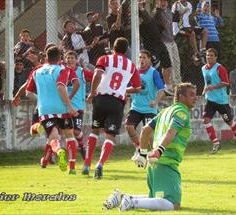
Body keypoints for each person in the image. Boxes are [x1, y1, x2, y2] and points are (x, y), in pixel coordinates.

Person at [103, 83, 198, 211]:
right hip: (166, 162)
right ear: (181, 97)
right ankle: (131, 202)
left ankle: (122, 197)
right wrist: (159, 151)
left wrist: (142, 154)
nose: (195, 98)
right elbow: (171, 131)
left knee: (154, 197)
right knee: (173, 203)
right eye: (191, 95)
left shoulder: (165, 111)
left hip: (155, 163)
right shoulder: (181, 112)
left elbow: (146, 129)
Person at [82, 37, 141, 179]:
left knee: (95, 130)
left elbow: (97, 74)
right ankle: (100, 164)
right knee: (110, 135)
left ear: (112, 47)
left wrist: (92, 92)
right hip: (117, 103)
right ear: (126, 50)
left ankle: (87, 164)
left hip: (101, 99)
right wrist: (124, 90)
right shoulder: (131, 66)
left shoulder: (105, 59)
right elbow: (138, 87)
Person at [26, 46, 79, 174]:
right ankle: (72, 168)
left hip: (45, 110)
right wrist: (70, 106)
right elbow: (61, 86)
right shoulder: (62, 69)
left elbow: (28, 92)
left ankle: (59, 151)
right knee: (70, 135)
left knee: (53, 137)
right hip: (62, 108)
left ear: (46, 57)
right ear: (60, 57)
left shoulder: (36, 71)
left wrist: (40, 101)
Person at [202, 48, 236, 153]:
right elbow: (207, 82)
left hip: (221, 100)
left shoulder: (220, 68)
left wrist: (212, 88)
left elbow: (225, 83)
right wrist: (205, 90)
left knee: (229, 121)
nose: (209, 57)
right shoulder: (204, 68)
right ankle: (216, 143)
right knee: (206, 119)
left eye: (211, 55)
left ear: (216, 57)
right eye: (207, 55)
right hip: (210, 100)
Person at [125, 50, 165, 160]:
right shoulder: (135, 72)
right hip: (136, 107)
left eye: (144, 58)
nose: (141, 60)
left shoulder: (154, 73)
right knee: (129, 127)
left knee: (149, 134)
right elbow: (128, 87)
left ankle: (154, 154)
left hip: (149, 109)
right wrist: (125, 93)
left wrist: (155, 101)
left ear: (149, 60)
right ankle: (139, 148)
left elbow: (162, 90)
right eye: (140, 57)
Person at [65, 50, 93, 160]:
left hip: (78, 106)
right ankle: (67, 156)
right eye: (68, 58)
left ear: (76, 60)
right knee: (67, 131)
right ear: (65, 59)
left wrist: (92, 93)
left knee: (76, 131)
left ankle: (82, 146)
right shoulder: (62, 71)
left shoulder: (81, 72)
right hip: (65, 107)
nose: (70, 60)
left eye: (72, 58)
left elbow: (95, 77)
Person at [154, 0, 181, 92]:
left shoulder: (169, 11)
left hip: (172, 40)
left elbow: (176, 21)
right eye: (161, 1)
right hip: (164, 41)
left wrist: (178, 11)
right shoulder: (157, 13)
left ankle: (177, 85)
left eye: (165, 1)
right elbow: (158, 25)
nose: (163, 3)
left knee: (176, 62)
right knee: (169, 64)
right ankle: (170, 86)